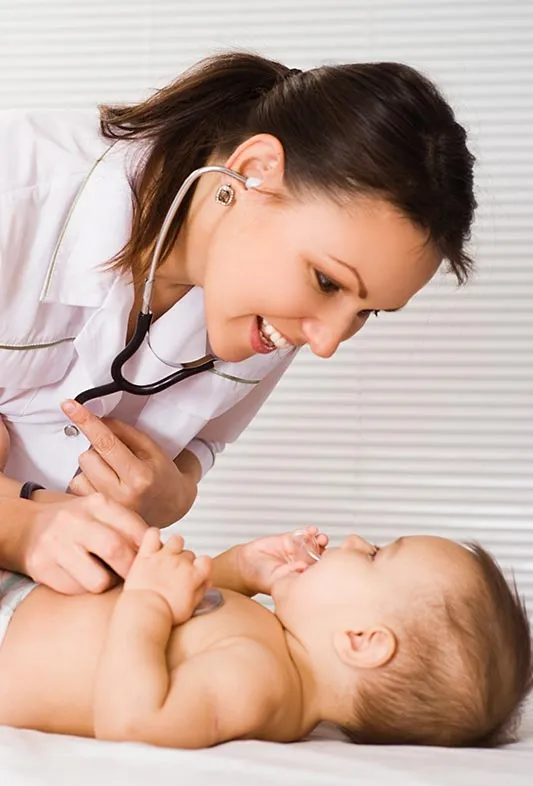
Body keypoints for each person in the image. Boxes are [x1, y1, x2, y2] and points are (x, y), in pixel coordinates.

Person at [0, 52, 476, 596]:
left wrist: (174, 495)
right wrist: (23, 526)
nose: (324, 343)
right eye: (327, 281)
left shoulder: (269, 310)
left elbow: (199, 443)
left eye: (366, 311)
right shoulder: (15, 191)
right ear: (252, 172)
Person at [0, 520, 531, 748]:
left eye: (373, 553)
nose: (352, 538)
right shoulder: (273, 645)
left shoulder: (261, 685)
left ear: (362, 640)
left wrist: (148, 601)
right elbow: (199, 611)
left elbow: (133, 721)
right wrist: (239, 568)